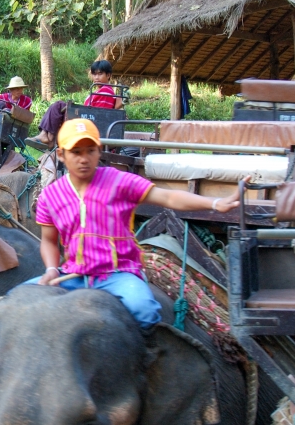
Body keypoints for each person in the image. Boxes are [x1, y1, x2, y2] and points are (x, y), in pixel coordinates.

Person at [29, 118, 240, 328]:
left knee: (144, 310)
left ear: (99, 151)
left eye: (90, 150)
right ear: (61, 155)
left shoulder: (119, 181)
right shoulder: (50, 196)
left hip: (117, 274)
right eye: (76, 152)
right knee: (21, 298)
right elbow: (48, 241)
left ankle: (150, 356)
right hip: (73, 276)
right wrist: (51, 270)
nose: (84, 159)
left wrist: (215, 202)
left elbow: (168, 198)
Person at [31, 60, 123, 147]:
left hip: (90, 123)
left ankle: (48, 137)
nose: (96, 78)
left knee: (58, 105)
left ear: (108, 75)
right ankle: (48, 136)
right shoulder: (97, 91)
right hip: (88, 120)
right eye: (94, 74)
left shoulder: (105, 91)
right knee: (59, 107)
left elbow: (98, 113)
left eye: (100, 74)